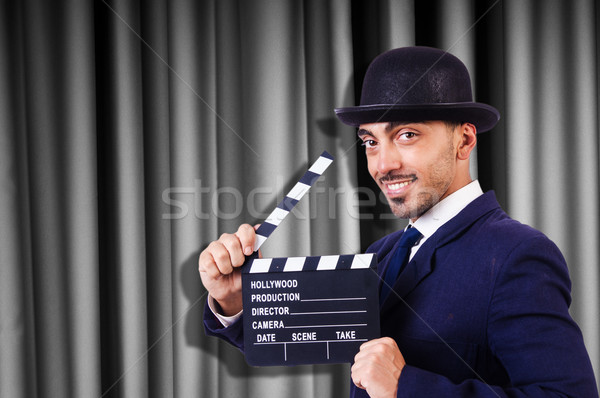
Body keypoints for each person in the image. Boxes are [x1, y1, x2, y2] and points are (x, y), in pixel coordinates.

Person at [199, 47, 599, 397]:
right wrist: (234, 300)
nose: (383, 164)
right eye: (371, 141)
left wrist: (405, 386)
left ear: (464, 140)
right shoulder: (383, 254)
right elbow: (297, 336)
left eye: (407, 135)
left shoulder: (517, 255)